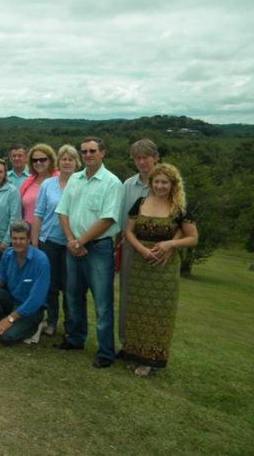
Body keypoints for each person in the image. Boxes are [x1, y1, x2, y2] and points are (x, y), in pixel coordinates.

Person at [122, 163, 198, 376]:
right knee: (137, 310)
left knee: (159, 314)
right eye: (156, 181)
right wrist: (142, 250)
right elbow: (128, 232)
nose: (160, 186)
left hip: (164, 268)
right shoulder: (141, 202)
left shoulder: (179, 209)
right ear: (151, 183)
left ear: (173, 184)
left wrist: (169, 245)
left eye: (165, 182)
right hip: (140, 264)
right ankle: (135, 354)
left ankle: (150, 360)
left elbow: (193, 237)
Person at [55, 137, 123, 369]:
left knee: (102, 303)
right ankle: (75, 339)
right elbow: (62, 212)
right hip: (73, 245)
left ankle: (105, 351)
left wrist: (80, 241)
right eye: (84, 151)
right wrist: (72, 240)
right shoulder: (75, 179)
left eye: (92, 151)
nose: (88, 155)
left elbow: (108, 219)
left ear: (102, 153)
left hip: (98, 248)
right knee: (73, 295)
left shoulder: (112, 183)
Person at [32, 144, 80, 337]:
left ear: (76, 163)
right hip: (49, 241)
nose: (67, 162)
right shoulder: (48, 184)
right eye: (63, 159)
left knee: (70, 287)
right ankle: (51, 322)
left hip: (73, 243)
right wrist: (35, 241)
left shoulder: (81, 183)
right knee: (50, 285)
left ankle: (70, 326)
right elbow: (38, 213)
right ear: (58, 162)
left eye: (70, 159)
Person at [118, 139, 160, 347]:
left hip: (157, 249)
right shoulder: (128, 185)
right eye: (138, 158)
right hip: (130, 246)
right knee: (127, 295)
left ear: (156, 158)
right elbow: (122, 219)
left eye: (146, 157)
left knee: (152, 301)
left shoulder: (165, 183)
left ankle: (147, 347)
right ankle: (127, 344)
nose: (142, 162)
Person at [0, 220, 50, 344]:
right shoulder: (8, 254)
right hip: (13, 301)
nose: (17, 242)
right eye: (14, 238)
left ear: (29, 239)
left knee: (6, 338)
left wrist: (10, 319)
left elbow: (35, 300)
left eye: (22, 238)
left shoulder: (41, 261)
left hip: (32, 310)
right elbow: (4, 279)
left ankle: (36, 326)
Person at [19, 143, 58, 225]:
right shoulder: (27, 183)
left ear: (50, 160)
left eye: (42, 159)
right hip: (27, 233)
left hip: (50, 234)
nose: (38, 163)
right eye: (34, 160)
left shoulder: (59, 180)